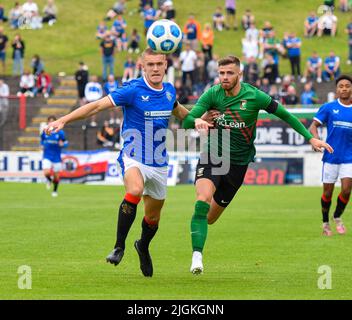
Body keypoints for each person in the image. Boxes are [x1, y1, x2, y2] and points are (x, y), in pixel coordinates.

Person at [44, 48, 192, 277]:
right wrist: (64, 119)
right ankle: (119, 246)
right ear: (142, 66)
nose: (154, 68)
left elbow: (180, 112)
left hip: (160, 162)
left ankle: (142, 245)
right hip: (133, 155)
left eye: (158, 64)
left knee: (152, 218)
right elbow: (95, 106)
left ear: (165, 66)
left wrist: (199, 119)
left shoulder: (170, 91)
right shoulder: (132, 90)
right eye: (150, 64)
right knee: (134, 190)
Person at [182, 55, 333, 274]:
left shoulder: (254, 96)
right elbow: (187, 121)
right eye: (221, 73)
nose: (224, 77)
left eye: (229, 73)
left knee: (210, 218)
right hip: (213, 155)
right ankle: (197, 257)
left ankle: (199, 229)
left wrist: (309, 137)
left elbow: (285, 115)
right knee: (202, 200)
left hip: (239, 163)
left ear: (239, 74)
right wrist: (200, 118)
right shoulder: (212, 94)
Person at [309, 75, 352, 236]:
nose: (344, 88)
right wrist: (316, 140)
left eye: (347, 86)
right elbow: (313, 126)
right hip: (331, 157)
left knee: (347, 190)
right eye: (341, 86)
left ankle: (337, 216)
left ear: (351, 88)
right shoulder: (329, 107)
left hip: (349, 157)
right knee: (328, 193)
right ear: (337, 89)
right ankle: (325, 222)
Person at [41, 115, 68, 197]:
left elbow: (66, 143)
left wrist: (62, 144)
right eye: (49, 121)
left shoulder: (60, 132)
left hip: (56, 156)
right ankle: (49, 180)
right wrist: (42, 145)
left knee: (56, 176)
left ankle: (55, 191)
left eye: (52, 121)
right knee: (46, 172)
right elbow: (42, 141)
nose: (51, 123)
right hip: (47, 155)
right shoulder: (45, 131)